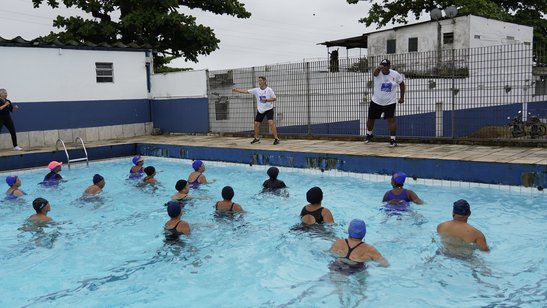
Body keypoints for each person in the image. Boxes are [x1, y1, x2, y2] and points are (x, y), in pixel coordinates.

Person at [364, 59, 405, 147]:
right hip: (376, 101)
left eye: (386, 65)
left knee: (391, 120)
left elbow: (401, 84)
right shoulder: (378, 72)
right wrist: (378, 68)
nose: (384, 67)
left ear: (389, 66)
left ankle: (393, 139)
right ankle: (369, 134)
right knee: (371, 118)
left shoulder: (395, 74)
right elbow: (374, 73)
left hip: (390, 102)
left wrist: (402, 97)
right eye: (382, 65)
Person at [232, 76, 280, 145]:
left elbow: (274, 98)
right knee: (256, 124)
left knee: (271, 123)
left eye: (260, 81)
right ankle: (257, 138)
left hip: (269, 109)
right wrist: (236, 90)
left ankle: (276, 139)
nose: (259, 82)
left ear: (264, 81)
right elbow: (246, 91)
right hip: (260, 110)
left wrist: (267, 100)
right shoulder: (256, 90)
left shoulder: (269, 90)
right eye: (259, 81)